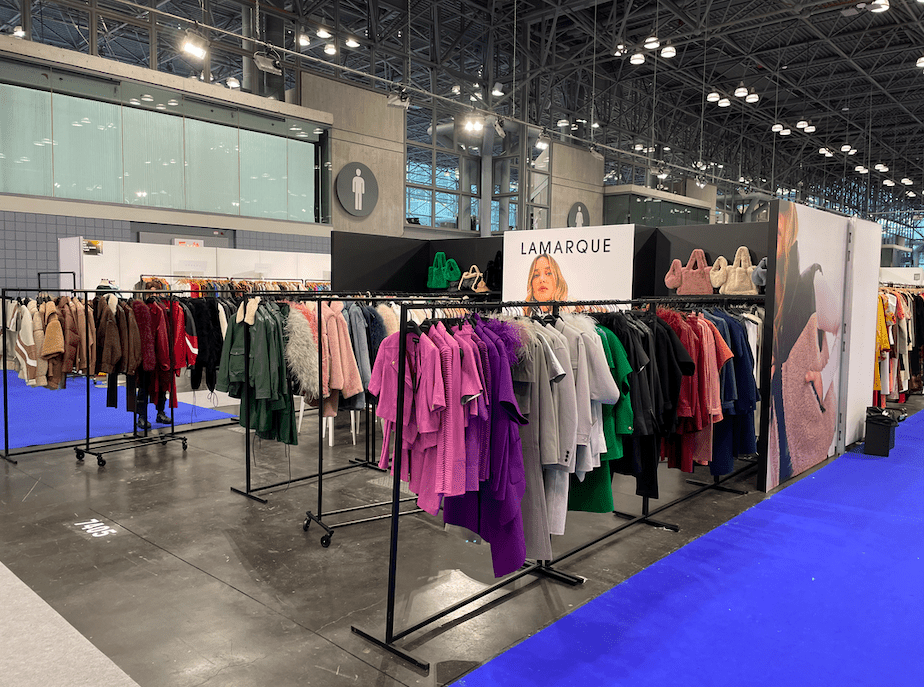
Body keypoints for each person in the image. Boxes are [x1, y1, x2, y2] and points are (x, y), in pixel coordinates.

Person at [768, 202, 840, 488]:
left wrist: (824, 375)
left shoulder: (811, 281)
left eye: (778, 234)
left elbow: (842, 327)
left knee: (804, 489)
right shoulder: (770, 284)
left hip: (807, 416)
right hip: (778, 415)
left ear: (790, 232)